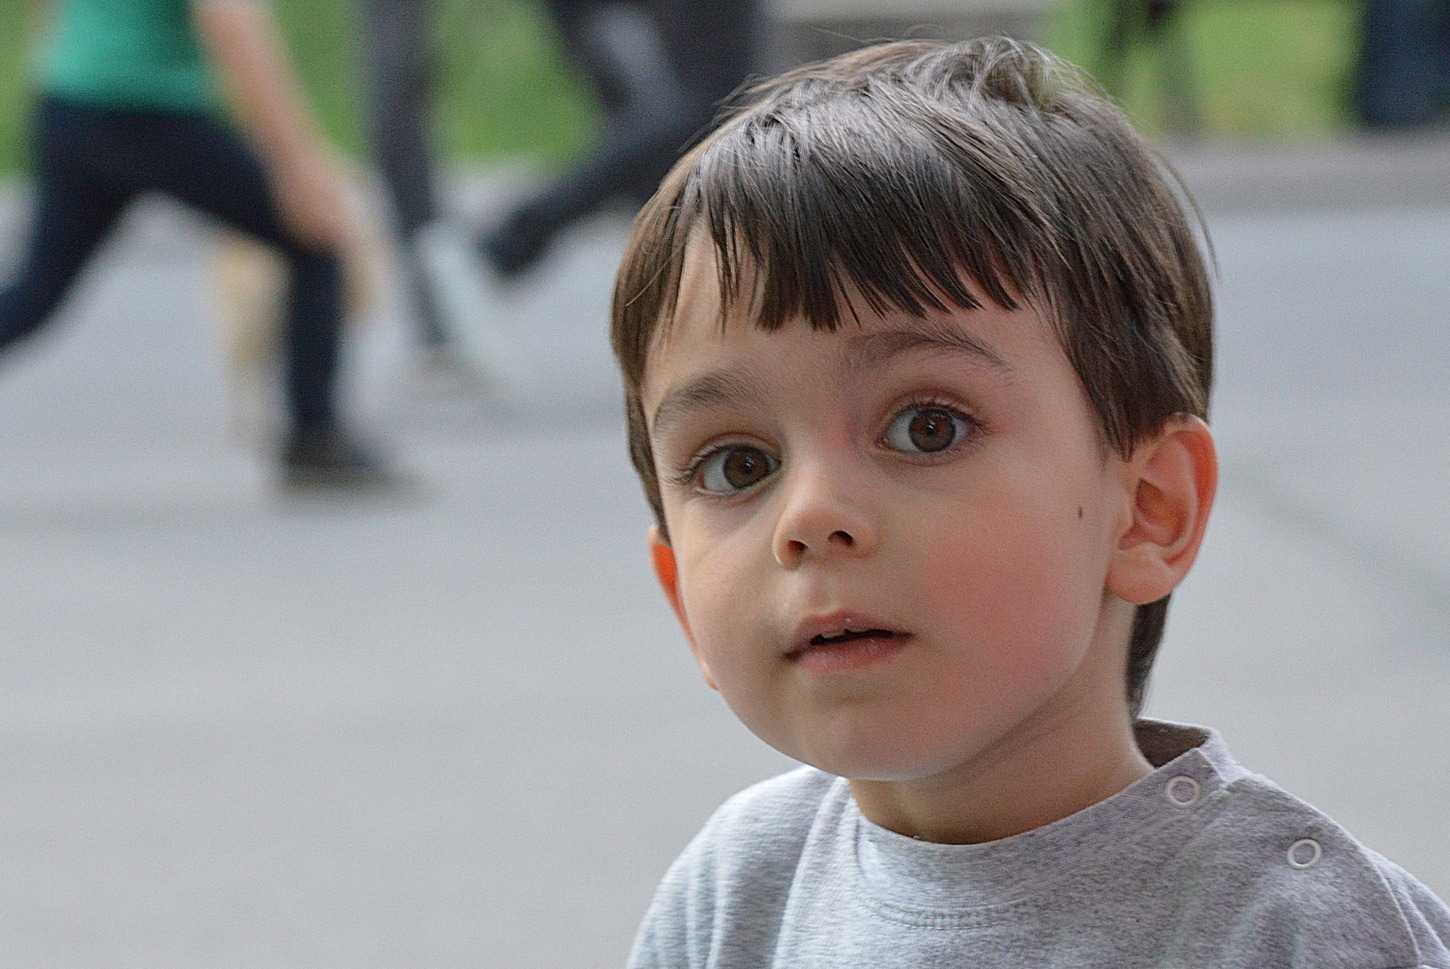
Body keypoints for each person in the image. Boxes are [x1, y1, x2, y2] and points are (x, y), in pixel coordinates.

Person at [608, 37, 1450, 967]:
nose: (808, 517)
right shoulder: (735, 896)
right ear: (680, 594)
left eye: (927, 427)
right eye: (737, 466)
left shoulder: (1292, 933)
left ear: (1148, 510)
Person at [1, 0, 389, 489]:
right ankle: (315, 437)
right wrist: (297, 167)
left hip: (71, 104)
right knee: (315, 235)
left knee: (35, 292)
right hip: (152, 115)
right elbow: (232, 24)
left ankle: (314, 434)